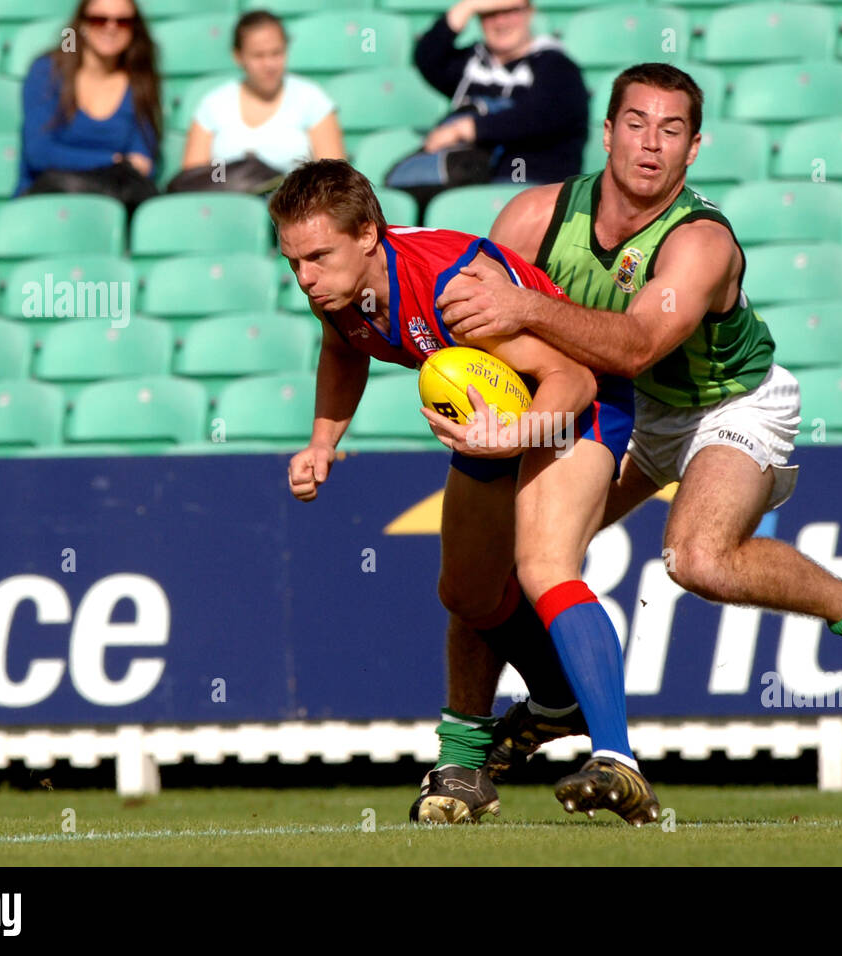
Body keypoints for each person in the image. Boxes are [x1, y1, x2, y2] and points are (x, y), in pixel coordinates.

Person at [433, 64, 842, 811]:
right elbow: (481, 327)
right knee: (494, 558)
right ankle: (470, 759)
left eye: (671, 131)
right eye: (635, 124)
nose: (650, 145)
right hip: (622, 408)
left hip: (726, 406)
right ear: (606, 132)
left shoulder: (701, 242)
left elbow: (637, 343)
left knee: (697, 557)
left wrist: (528, 313)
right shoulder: (533, 218)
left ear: (694, 148)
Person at [275, 160, 653, 826]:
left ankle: (616, 759)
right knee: (467, 591)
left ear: (368, 233)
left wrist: (515, 438)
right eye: (293, 260)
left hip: (578, 404)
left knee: (543, 567)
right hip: (496, 415)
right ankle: (505, 740)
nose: (304, 276)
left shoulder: (453, 291)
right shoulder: (338, 288)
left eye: (317, 257)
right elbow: (344, 349)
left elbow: (574, 381)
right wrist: (322, 441)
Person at [394, 0, 586, 203]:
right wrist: (467, 7)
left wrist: (468, 128)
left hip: (535, 186)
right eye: (490, 13)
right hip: (467, 186)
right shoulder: (472, 65)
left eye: (510, 11)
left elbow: (538, 117)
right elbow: (428, 57)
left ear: (529, 12)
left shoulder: (557, 66)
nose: (500, 22)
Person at [177, 10, 344, 192]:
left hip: (295, 212)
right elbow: (193, 183)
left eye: (276, 53)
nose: (269, 65)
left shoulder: (312, 99)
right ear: (238, 56)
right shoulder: (213, 104)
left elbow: (335, 180)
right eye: (258, 55)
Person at [17, 0, 161, 209]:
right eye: (99, 19)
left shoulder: (140, 81)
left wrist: (117, 163)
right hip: (48, 201)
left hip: (113, 203)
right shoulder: (47, 72)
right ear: (82, 24)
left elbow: (142, 163)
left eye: (123, 21)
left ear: (134, 28)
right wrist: (115, 160)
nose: (111, 27)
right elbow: (39, 153)